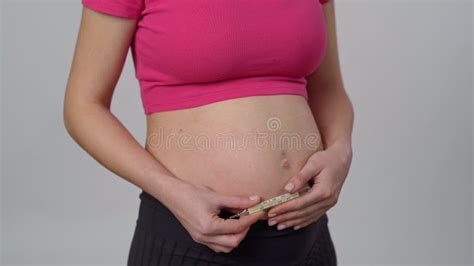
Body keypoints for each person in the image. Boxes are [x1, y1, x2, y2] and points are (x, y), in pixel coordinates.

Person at [64, 0, 353, 265]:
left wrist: (340, 151)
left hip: (307, 238)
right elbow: (83, 107)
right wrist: (173, 193)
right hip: (193, 240)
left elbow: (329, 90)